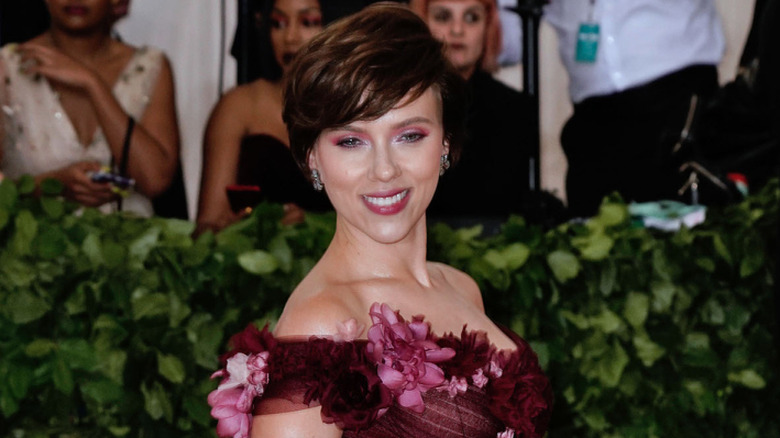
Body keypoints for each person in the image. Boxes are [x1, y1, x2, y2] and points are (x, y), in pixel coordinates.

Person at [207, 4, 552, 438]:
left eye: (409, 135)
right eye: (351, 140)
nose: (384, 169)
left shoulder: (462, 287)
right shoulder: (323, 322)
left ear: (445, 141)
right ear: (313, 156)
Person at [541, 0, 726, 217]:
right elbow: (507, 37)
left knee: (687, 226)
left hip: (676, 94)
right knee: (593, 230)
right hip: (592, 117)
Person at [0, 0, 179, 217]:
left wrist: (92, 84)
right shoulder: (8, 68)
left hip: (127, 241)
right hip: (31, 244)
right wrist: (51, 184)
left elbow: (154, 180)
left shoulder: (150, 66)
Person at [196, 0, 338, 234]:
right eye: (279, 23)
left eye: (307, 22)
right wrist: (243, 230)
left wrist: (313, 224)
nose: (290, 37)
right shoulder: (240, 106)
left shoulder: (357, 111)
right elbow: (204, 228)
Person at [409, 0, 535, 228]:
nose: (457, 30)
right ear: (421, 23)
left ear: (489, 27)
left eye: (471, 18)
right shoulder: (401, 105)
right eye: (443, 17)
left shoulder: (515, 109)